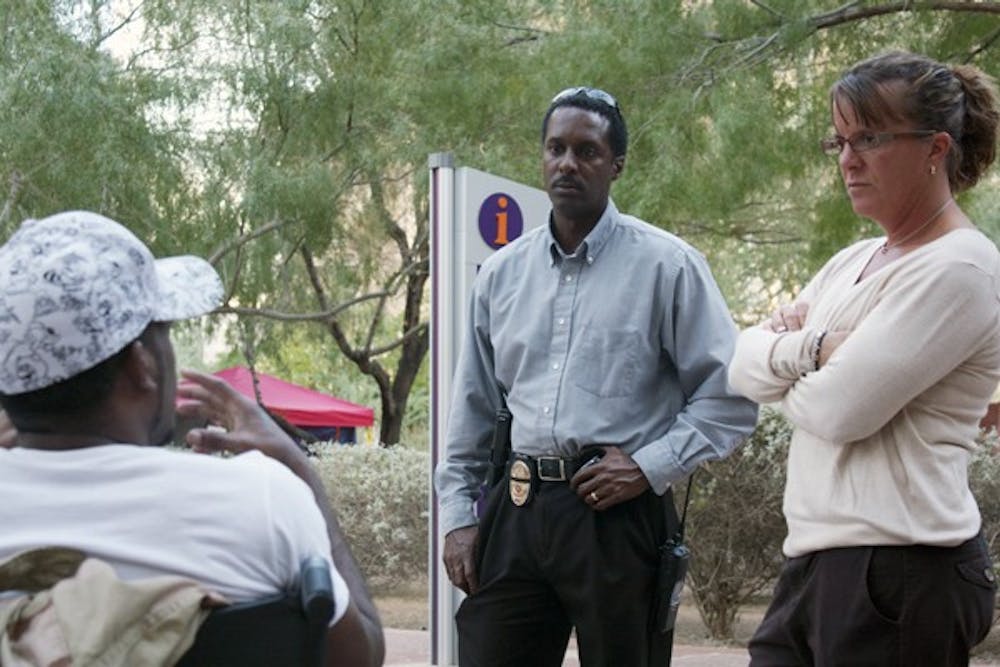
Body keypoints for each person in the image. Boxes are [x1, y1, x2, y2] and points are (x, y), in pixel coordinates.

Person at [435, 86, 758, 666]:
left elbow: (729, 399)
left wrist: (648, 465)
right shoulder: (502, 275)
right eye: (556, 148)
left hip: (617, 518)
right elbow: (473, 408)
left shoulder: (669, 266)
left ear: (616, 166)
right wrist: (459, 517)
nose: (567, 163)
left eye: (586, 151)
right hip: (517, 508)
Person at [0, 210, 384, 666]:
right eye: (165, 333)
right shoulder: (261, 497)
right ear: (141, 364)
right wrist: (301, 473)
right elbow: (362, 656)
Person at [728, 51, 1000, 666]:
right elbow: (739, 363)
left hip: (900, 571)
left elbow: (840, 411)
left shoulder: (960, 267)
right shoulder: (850, 262)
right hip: (816, 562)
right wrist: (817, 350)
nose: (848, 160)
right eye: (840, 140)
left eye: (869, 138)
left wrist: (783, 369)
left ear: (936, 148)